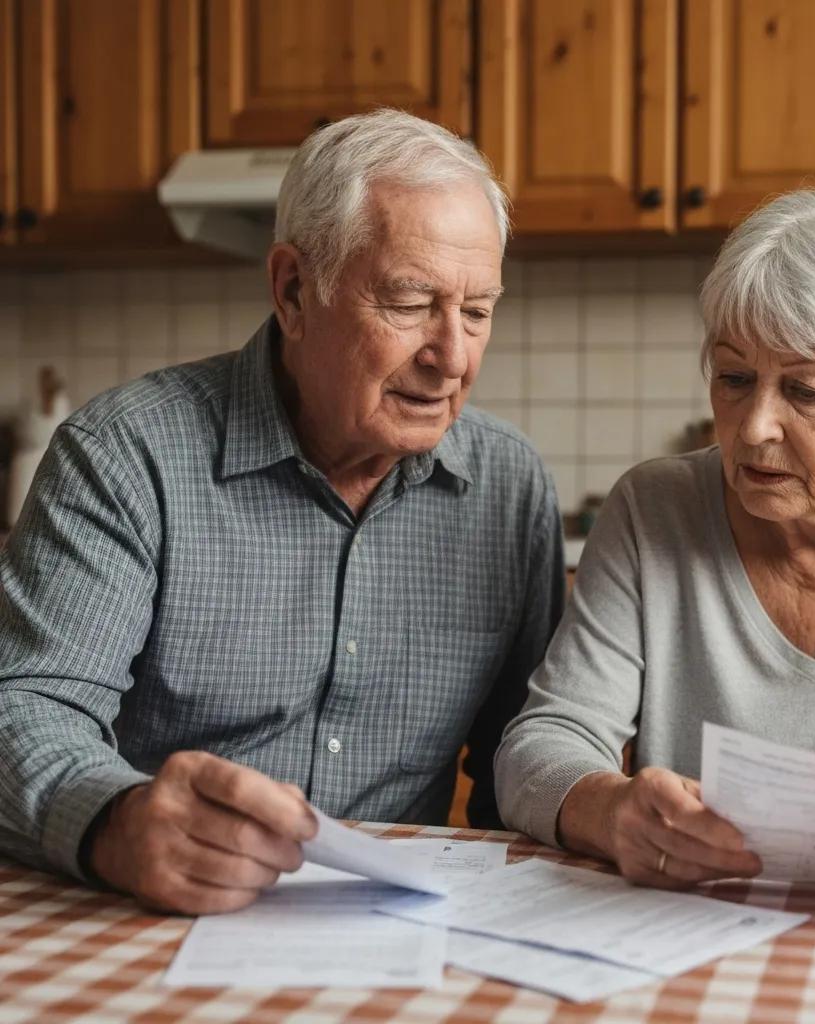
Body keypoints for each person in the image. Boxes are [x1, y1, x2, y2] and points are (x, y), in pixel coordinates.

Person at [0, 109, 563, 914]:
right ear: (295, 290)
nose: (454, 357)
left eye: (477, 311)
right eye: (410, 304)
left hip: (404, 925)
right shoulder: (126, 456)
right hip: (160, 913)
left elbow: (521, 759)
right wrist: (116, 823)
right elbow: (27, 708)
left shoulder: (509, 488)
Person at [495, 183, 815, 921]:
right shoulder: (653, 509)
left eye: (807, 391)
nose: (752, 430)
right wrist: (611, 811)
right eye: (734, 378)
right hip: (690, 935)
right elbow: (541, 746)